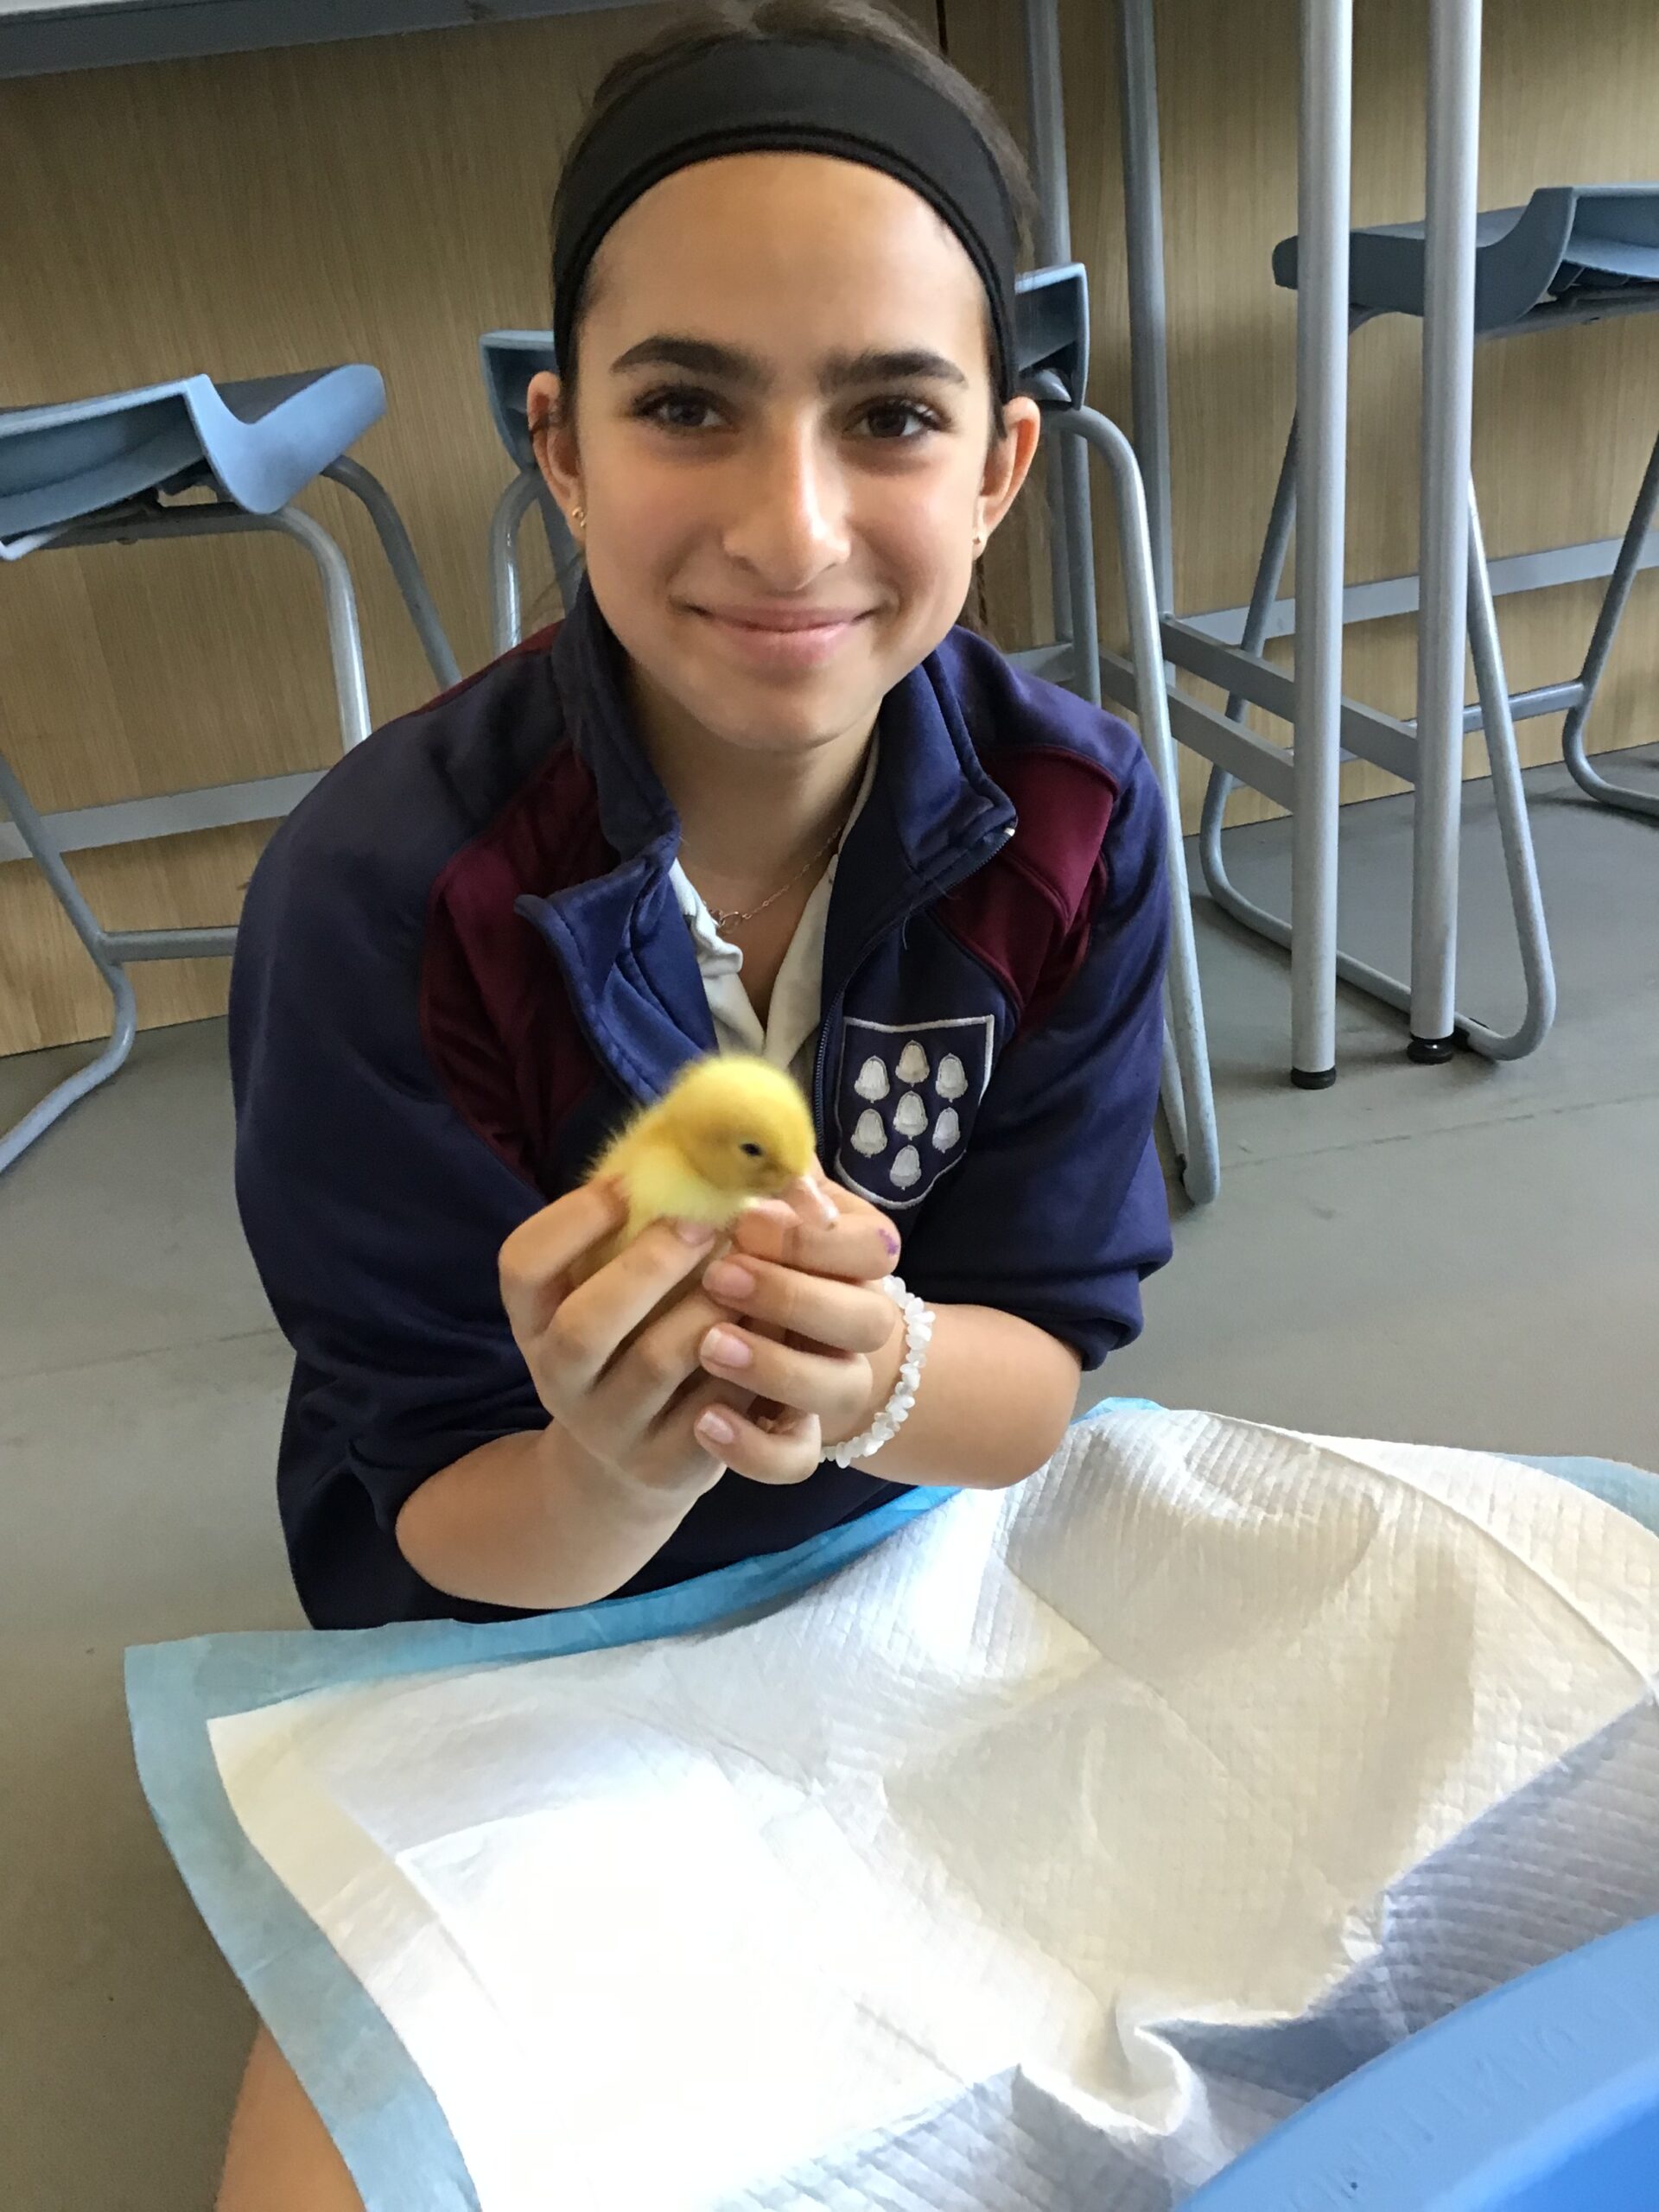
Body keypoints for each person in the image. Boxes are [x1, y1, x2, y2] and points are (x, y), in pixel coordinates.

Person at [217, 0, 1173, 2199]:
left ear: (1001, 465)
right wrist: (610, 1462)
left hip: (910, 1553)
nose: (793, 524)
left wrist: (886, 1367)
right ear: (559, 444)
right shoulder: (387, 896)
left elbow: (1039, 1375)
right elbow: (433, 1504)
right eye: (686, 406)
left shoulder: (1074, 828)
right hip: (518, 1626)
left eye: (893, 414)